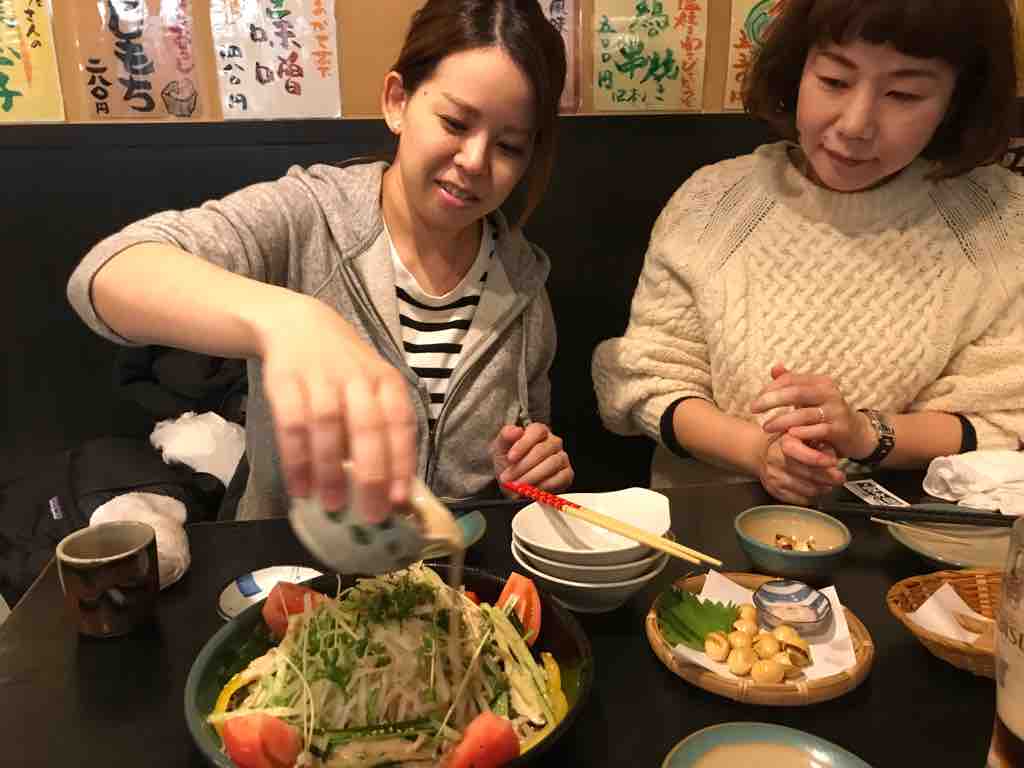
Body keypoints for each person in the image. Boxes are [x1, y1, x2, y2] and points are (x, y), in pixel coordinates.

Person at [67, 0, 573, 522]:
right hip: (289, 557)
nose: (475, 162)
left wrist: (521, 475)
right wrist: (285, 320)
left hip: (451, 562)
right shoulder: (309, 217)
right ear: (397, 101)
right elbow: (106, 273)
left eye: (509, 146)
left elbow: (518, 465)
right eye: (455, 122)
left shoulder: (523, 286)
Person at [593, 0, 1024, 505]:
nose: (856, 124)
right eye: (835, 81)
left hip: (913, 530)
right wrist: (758, 453)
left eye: (903, 94)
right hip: (710, 520)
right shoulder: (713, 203)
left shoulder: (997, 221)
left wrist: (867, 435)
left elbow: (1002, 412)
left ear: (958, 99)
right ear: (798, 68)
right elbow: (650, 378)